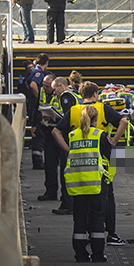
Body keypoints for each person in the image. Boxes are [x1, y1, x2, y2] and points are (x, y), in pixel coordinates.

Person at [54, 104, 129, 263]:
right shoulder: (100, 135)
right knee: (97, 219)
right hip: (96, 183)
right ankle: (97, 254)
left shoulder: (73, 135)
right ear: (96, 119)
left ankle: (80, 255)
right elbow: (110, 156)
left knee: (79, 219)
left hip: (78, 183)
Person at [50, 77, 81, 214]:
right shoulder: (76, 94)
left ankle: (67, 204)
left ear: (60, 85)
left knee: (66, 171)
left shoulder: (65, 96)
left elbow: (68, 117)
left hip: (69, 137)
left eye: (54, 89)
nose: (54, 92)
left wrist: (56, 118)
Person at [37, 74, 64, 202]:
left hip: (60, 133)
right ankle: (51, 191)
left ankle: (65, 195)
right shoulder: (43, 91)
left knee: (63, 166)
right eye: (45, 86)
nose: (46, 88)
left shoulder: (66, 97)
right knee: (50, 164)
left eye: (48, 86)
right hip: (48, 132)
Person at [26, 53, 49, 170]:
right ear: (47, 63)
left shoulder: (33, 71)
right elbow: (33, 84)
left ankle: (38, 159)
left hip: (33, 104)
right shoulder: (39, 72)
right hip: (36, 105)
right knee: (38, 131)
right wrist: (39, 97)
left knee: (36, 130)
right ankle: (38, 161)